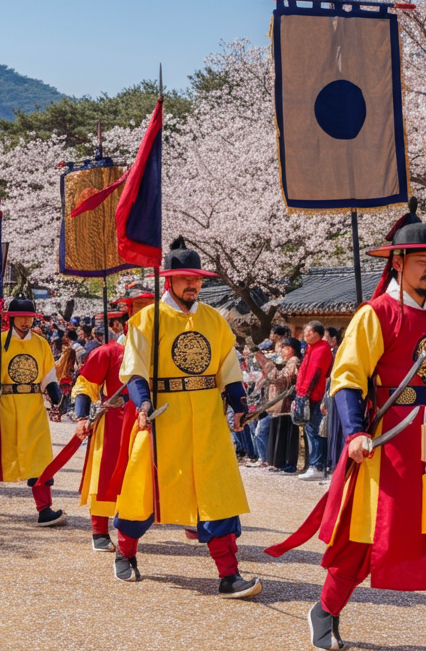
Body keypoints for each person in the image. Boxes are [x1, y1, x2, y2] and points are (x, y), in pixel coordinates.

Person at [266, 218, 426, 651]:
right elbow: (348, 379)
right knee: (366, 536)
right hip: (391, 441)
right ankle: (325, 608)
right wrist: (355, 433)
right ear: (398, 263)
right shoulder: (375, 314)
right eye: (422, 261)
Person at [112, 239, 262, 599]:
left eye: (195, 279)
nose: (191, 285)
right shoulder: (147, 320)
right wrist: (143, 405)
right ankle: (125, 551)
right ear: (169, 281)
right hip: (164, 419)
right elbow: (134, 372)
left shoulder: (213, 319)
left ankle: (229, 574)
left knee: (218, 495)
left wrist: (239, 405)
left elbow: (229, 370)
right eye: (184, 279)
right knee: (145, 493)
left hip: (208, 421)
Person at [0, 296, 67, 526]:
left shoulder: (41, 343)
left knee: (40, 457)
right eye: (20, 317)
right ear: (11, 319)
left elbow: (47, 375)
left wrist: (55, 396)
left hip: (32, 406)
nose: (25, 322)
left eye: (29, 318)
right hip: (4, 404)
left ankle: (44, 509)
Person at [69, 311, 135, 552]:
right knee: (105, 474)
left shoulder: (156, 353)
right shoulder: (107, 352)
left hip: (146, 421)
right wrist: (82, 417)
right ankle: (100, 529)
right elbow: (85, 384)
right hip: (114, 421)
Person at [256, 338, 300, 473]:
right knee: (278, 435)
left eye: (283, 348)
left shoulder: (294, 361)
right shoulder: (287, 362)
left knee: (286, 436)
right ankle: (279, 463)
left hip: (286, 405)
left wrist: (268, 365)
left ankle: (288, 464)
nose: (281, 351)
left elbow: (281, 379)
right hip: (279, 406)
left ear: (291, 348)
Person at [296, 321, 333, 481]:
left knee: (315, 431)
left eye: (308, 332)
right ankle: (315, 464)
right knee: (311, 431)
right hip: (306, 395)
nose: (305, 335)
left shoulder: (322, 349)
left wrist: (306, 394)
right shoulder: (311, 349)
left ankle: (317, 465)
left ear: (317, 334)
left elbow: (316, 374)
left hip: (314, 396)